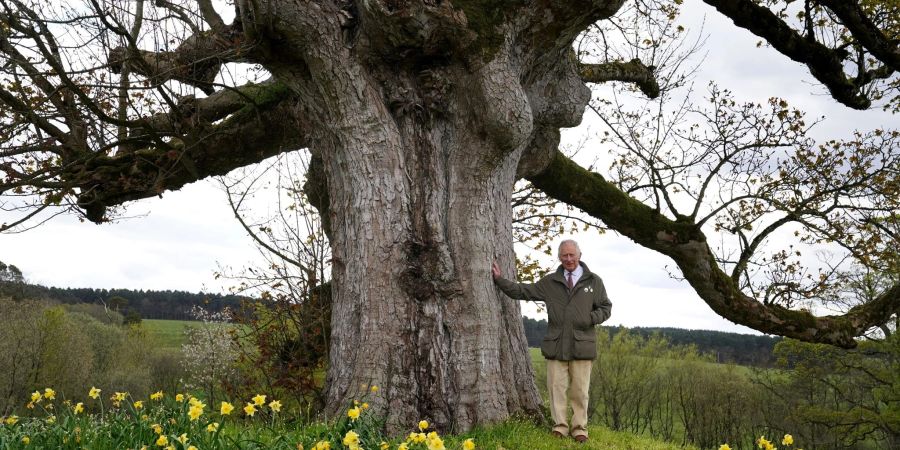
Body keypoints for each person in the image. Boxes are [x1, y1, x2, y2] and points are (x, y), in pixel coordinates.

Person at [491, 239, 612, 444]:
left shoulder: (594, 281)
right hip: (556, 345)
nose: (568, 259)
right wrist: (500, 280)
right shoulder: (550, 282)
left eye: (572, 255)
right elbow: (523, 291)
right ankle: (560, 427)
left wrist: (590, 319)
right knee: (556, 388)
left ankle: (579, 428)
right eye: (564, 255)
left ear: (580, 255)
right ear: (559, 257)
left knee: (580, 390)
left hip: (582, 345)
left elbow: (606, 308)